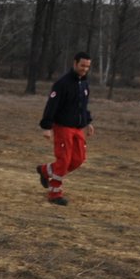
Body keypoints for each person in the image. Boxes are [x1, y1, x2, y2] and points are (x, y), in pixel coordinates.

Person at [37, 52, 94, 206]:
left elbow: (83, 106)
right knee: (64, 160)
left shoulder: (84, 84)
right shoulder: (62, 83)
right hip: (62, 127)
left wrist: (88, 122)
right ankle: (54, 194)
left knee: (77, 160)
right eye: (82, 65)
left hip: (77, 128)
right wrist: (47, 127)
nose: (84, 69)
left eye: (87, 67)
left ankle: (46, 170)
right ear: (75, 63)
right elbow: (51, 105)